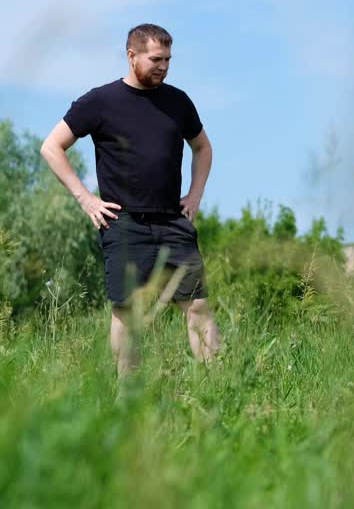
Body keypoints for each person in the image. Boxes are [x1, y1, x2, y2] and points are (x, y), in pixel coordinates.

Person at [40, 23, 222, 376]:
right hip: (123, 225)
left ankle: (217, 389)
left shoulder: (178, 101)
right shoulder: (100, 101)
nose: (164, 66)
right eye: (156, 59)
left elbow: (202, 147)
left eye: (168, 59)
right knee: (128, 313)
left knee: (198, 304)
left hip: (173, 221)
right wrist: (86, 199)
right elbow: (52, 147)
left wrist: (195, 195)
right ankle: (129, 397)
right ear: (131, 56)